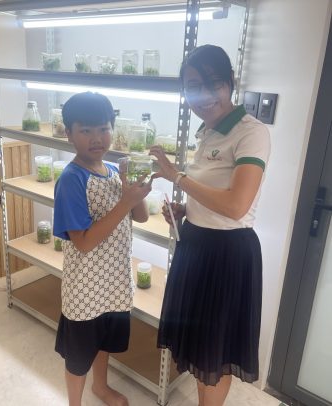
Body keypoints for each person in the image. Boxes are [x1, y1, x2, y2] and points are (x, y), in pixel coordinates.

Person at [149, 45, 270, 406]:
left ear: (230, 82)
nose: (203, 96)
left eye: (212, 84)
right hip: (196, 246)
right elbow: (213, 196)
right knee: (200, 349)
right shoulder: (206, 132)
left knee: (215, 354)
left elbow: (236, 206)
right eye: (192, 87)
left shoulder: (251, 132)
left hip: (227, 255)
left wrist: (177, 177)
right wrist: (186, 210)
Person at [53, 91, 151, 406]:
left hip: (115, 281)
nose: (97, 138)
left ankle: (101, 386)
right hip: (84, 288)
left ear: (112, 129)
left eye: (104, 128)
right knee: (78, 355)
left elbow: (141, 216)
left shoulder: (112, 171)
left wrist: (136, 191)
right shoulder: (71, 179)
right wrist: (125, 201)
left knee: (105, 341)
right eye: (86, 130)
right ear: (69, 134)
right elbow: (82, 242)